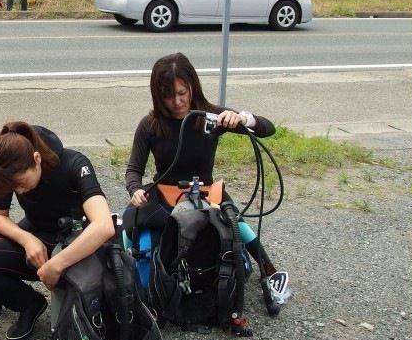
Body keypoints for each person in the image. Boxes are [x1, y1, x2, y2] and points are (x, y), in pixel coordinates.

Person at [123, 52, 289, 301]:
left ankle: (270, 272)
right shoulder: (150, 124)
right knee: (128, 224)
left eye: (182, 93)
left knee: (239, 226)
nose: (177, 102)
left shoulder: (210, 117)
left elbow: (267, 129)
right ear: (158, 95)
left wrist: (243, 118)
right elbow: (133, 169)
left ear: (193, 86)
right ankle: (126, 273)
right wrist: (135, 189)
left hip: (205, 192)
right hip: (165, 193)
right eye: (169, 96)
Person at [0, 121, 115, 340]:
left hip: (75, 247)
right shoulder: (8, 169)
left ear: (37, 159)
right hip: (37, 237)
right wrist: (27, 239)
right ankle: (29, 304)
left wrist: (56, 265)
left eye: (21, 183)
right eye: (14, 188)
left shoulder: (74, 163)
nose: (19, 191)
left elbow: (104, 225)